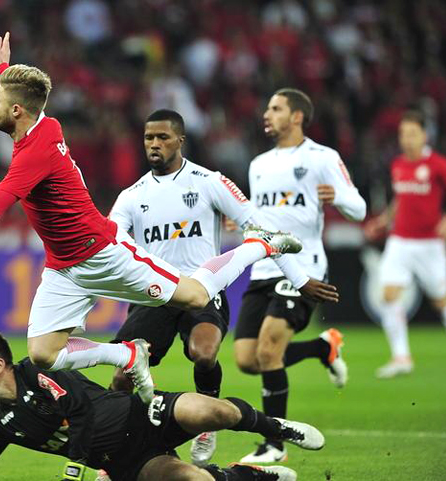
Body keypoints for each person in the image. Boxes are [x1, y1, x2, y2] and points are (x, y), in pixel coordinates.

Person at [0, 33, 313, 405]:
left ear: (17, 110)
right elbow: (22, 99)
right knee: (44, 354)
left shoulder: (35, 154)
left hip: (104, 253)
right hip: (63, 268)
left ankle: (262, 244)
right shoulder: (45, 124)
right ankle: (127, 354)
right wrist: (4, 70)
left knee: (196, 298)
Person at [101, 109, 338, 472]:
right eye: (149, 138)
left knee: (204, 352)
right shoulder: (132, 196)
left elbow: (261, 233)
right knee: (122, 375)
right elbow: (109, 241)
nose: (154, 144)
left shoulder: (210, 181)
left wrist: (301, 279)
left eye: (162, 137)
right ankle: (110, 455)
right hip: (156, 294)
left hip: (201, 289)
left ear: (180, 140)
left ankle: (206, 426)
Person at [0, 330, 326, 481]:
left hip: (141, 414)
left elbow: (81, 412)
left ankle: (277, 428)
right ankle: (251, 476)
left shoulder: (37, 370)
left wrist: (74, 467)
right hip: (125, 462)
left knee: (213, 412)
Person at [233, 88, 367, 463]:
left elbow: (358, 207)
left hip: (304, 265)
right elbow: (259, 218)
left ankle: (274, 445)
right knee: (247, 358)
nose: (266, 113)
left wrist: (336, 197)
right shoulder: (258, 164)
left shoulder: (322, 157)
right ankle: (322, 348)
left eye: (275, 108)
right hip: (263, 266)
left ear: (296, 117)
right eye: (267, 107)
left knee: (269, 348)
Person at [365, 110, 446, 378]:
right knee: (388, 294)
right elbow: (400, 200)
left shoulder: (438, 165)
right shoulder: (398, 165)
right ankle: (401, 357)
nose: (407, 139)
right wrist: (384, 220)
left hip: (429, 245)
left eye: (412, 133)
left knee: (441, 302)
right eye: (403, 134)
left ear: (425, 135)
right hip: (400, 240)